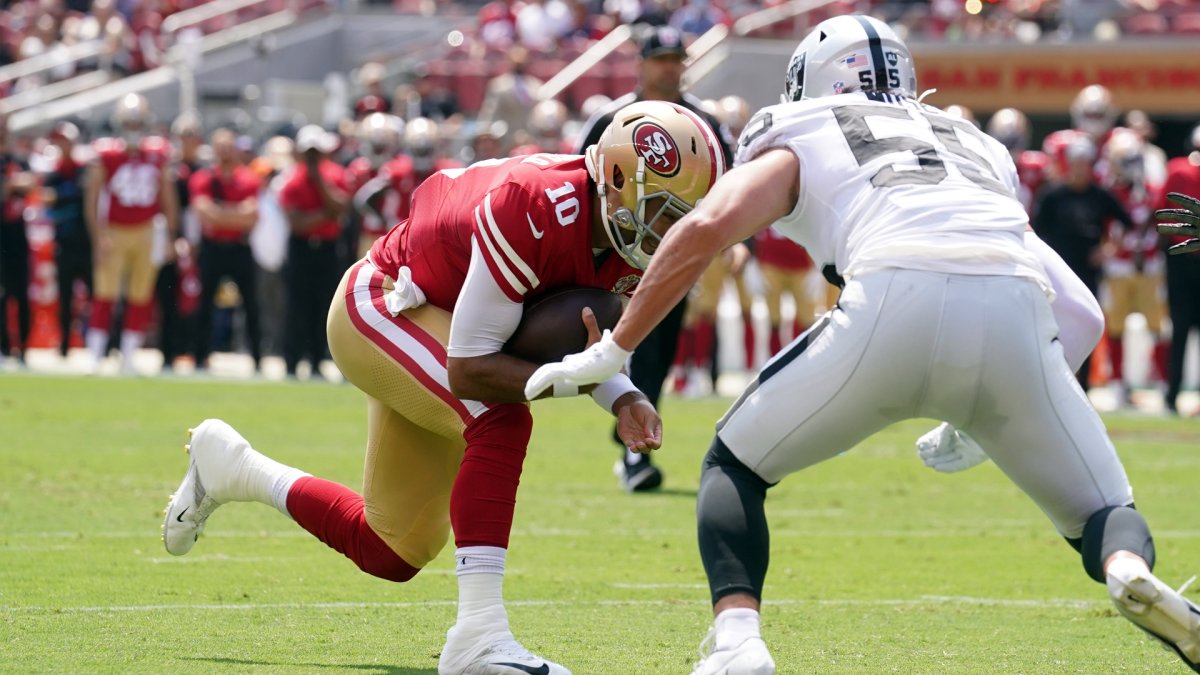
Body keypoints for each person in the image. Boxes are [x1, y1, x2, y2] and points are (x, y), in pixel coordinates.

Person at [527, 16, 1199, 674]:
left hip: (891, 295)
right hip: (1014, 305)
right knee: (1106, 512)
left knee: (734, 466)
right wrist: (985, 417)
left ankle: (737, 642)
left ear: (812, 80)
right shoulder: (972, 144)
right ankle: (1128, 569)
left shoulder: (804, 127)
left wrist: (615, 349)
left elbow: (707, 227)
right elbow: (1079, 313)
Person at [161, 100, 725, 675]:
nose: (668, 234)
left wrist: (621, 394)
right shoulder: (536, 205)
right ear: (615, 180)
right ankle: (478, 638)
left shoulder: (614, 226)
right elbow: (472, 369)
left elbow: (576, 331)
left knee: (392, 549)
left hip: (448, 322)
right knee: (501, 417)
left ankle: (232, 467)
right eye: (663, 214)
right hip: (385, 304)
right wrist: (560, 383)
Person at [576, 24, 734, 491]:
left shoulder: (704, 122)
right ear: (642, 63)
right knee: (622, 346)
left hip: (673, 255)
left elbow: (730, 183)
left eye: (675, 58)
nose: (669, 67)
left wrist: (735, 242)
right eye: (660, 58)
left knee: (658, 353)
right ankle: (631, 447)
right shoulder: (610, 118)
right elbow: (577, 179)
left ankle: (633, 442)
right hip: (616, 256)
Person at [84, 93, 180, 374]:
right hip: (114, 229)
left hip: (147, 229)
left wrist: (171, 234)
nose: (134, 128)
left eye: (138, 122)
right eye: (129, 122)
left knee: (141, 294)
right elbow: (92, 200)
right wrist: (98, 235)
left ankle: (128, 356)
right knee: (105, 293)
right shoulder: (107, 154)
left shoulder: (158, 154)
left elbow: (168, 197)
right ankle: (96, 355)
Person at [189, 128, 265, 373]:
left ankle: (257, 357)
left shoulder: (249, 178)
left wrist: (220, 212)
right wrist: (234, 213)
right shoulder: (203, 179)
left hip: (239, 247)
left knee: (251, 303)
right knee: (205, 305)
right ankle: (200, 356)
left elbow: (251, 216)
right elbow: (204, 214)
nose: (224, 153)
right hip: (213, 248)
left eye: (228, 148)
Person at [277, 125, 348, 380]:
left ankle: (318, 361)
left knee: (323, 306)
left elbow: (341, 207)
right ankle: (293, 361)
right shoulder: (292, 179)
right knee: (297, 307)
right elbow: (296, 222)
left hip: (327, 249)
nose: (312, 158)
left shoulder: (335, 175)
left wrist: (319, 182)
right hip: (301, 248)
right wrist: (325, 214)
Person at [1152, 126, 1200, 415]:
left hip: (1181, 255)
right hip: (1181, 259)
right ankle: (1172, 395)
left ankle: (1172, 396)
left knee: (1180, 329)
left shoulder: (1177, 169)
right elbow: (1161, 212)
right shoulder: (1179, 170)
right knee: (1180, 329)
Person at [41, 121, 91, 359]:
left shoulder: (84, 170)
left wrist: (61, 198)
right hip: (65, 242)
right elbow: (48, 206)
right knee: (65, 296)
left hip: (86, 243)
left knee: (96, 295)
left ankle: (99, 342)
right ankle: (64, 345)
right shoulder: (53, 175)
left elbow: (85, 197)